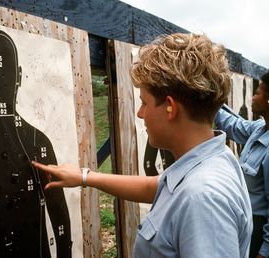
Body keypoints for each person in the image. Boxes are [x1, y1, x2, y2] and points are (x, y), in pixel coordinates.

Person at [32, 33, 253, 257]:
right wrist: (84, 177)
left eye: (144, 103)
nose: (140, 113)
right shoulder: (213, 158)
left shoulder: (203, 200)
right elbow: (155, 187)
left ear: (170, 108)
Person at [215, 71, 269, 258]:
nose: (253, 97)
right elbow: (231, 124)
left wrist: (263, 253)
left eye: (258, 92)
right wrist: (208, 98)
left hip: (258, 233)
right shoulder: (259, 129)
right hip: (244, 222)